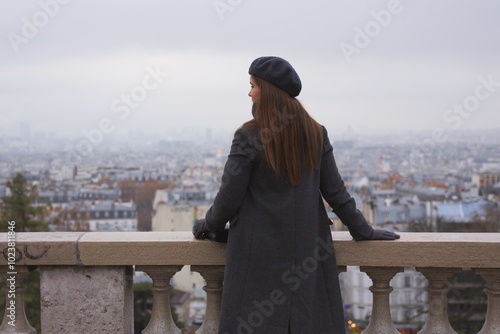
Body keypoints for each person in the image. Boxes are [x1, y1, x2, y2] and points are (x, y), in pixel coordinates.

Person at [193, 56, 400, 334]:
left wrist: (208, 226)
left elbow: (228, 198)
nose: (249, 92)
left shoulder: (248, 136)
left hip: (256, 256)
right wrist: (363, 230)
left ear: (266, 91)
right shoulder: (316, 132)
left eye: (253, 85)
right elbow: (336, 193)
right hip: (306, 253)